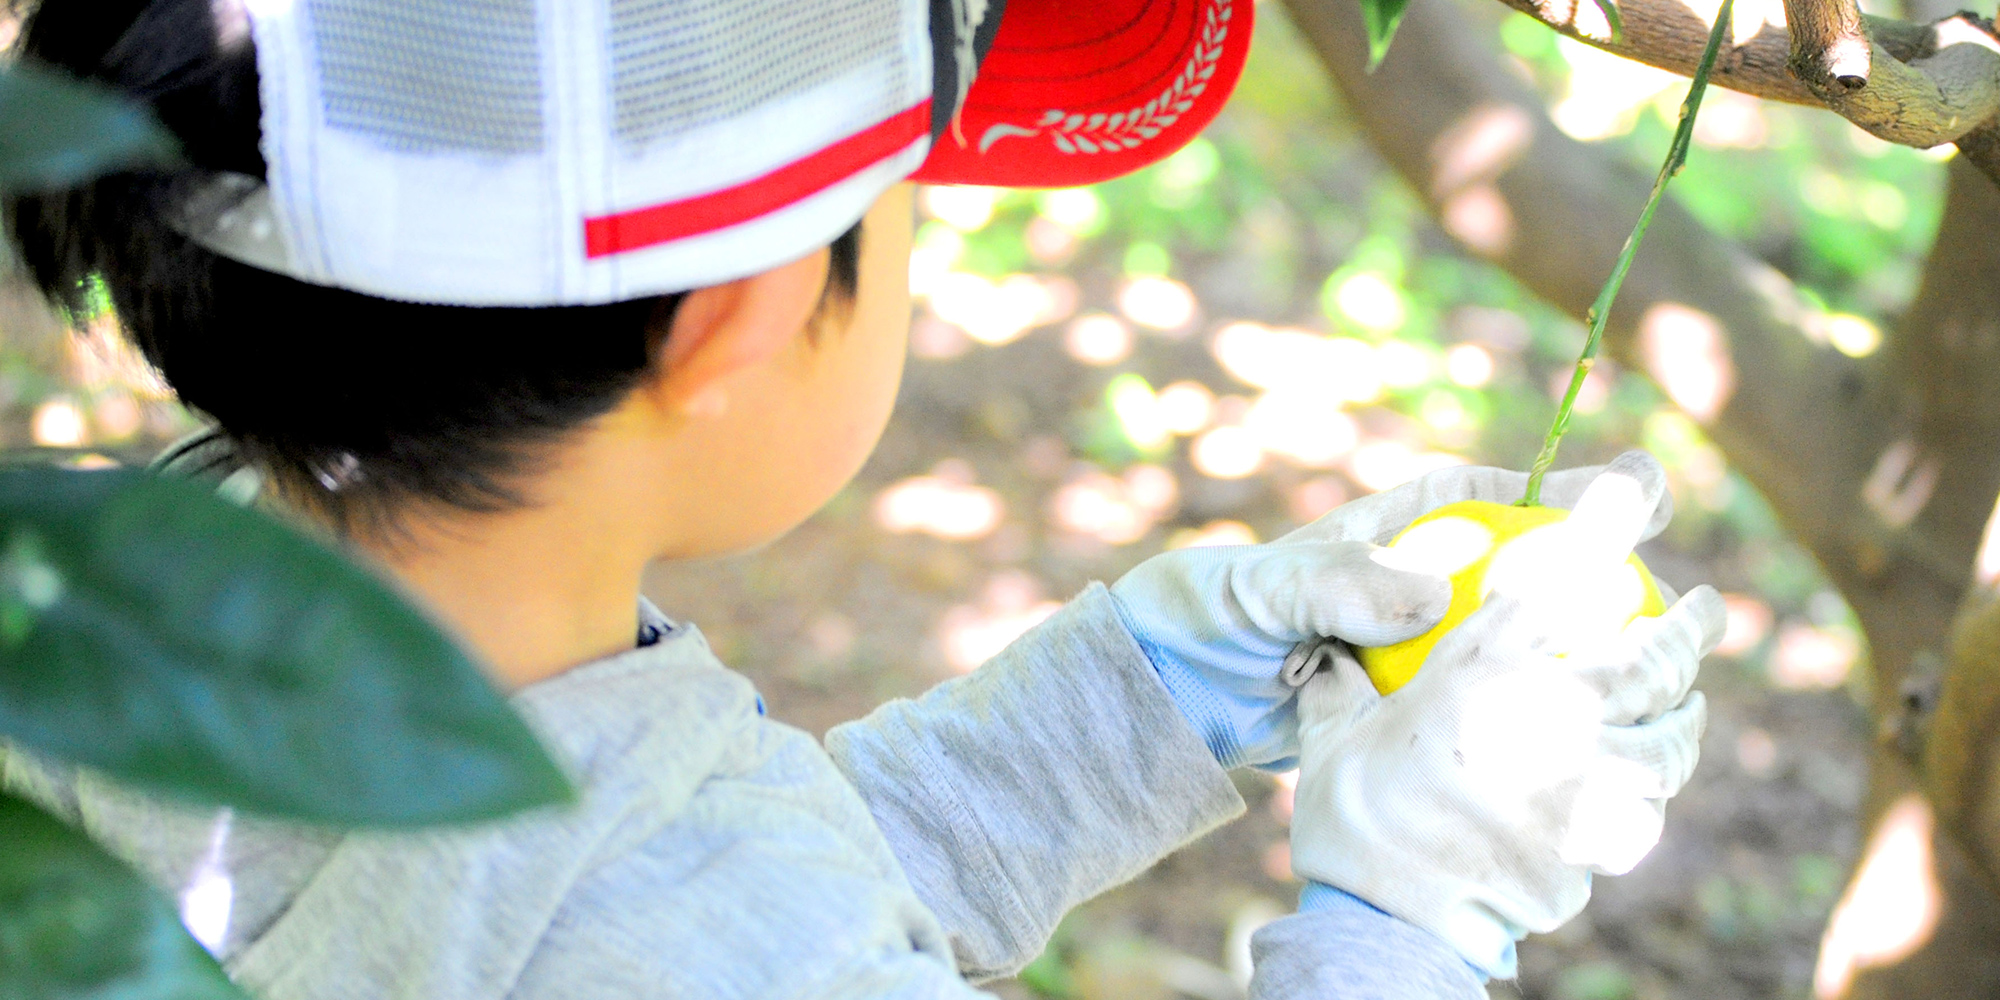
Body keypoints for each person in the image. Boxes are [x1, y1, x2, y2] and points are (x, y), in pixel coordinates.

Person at [0, 0, 1724, 996]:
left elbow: (687, 904)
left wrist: (1157, 693)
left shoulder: (141, 593)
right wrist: (1408, 919)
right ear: (737, 318)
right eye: (904, 197)